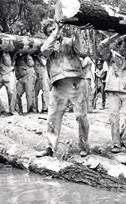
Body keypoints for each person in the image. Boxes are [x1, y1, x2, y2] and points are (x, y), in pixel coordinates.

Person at [36, 21, 89, 158]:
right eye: (51, 30)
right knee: (53, 117)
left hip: (76, 82)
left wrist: (78, 32)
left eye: (55, 27)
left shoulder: (69, 41)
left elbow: (81, 51)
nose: (55, 31)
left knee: (81, 116)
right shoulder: (49, 44)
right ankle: (50, 148)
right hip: (58, 85)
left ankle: (84, 146)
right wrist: (56, 31)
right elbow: (44, 51)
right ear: (48, 34)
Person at [0, 43, 16, 115]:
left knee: (11, 91)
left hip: (7, 72)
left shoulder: (7, 53)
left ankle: (13, 110)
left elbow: (8, 63)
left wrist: (4, 54)